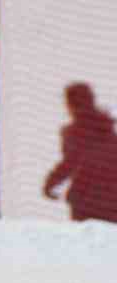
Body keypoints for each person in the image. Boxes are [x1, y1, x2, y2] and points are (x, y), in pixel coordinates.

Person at [43, 82, 117, 223]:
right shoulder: (107, 128)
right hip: (113, 200)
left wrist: (50, 184)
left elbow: (70, 161)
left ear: (70, 104)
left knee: (87, 234)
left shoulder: (75, 132)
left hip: (86, 200)